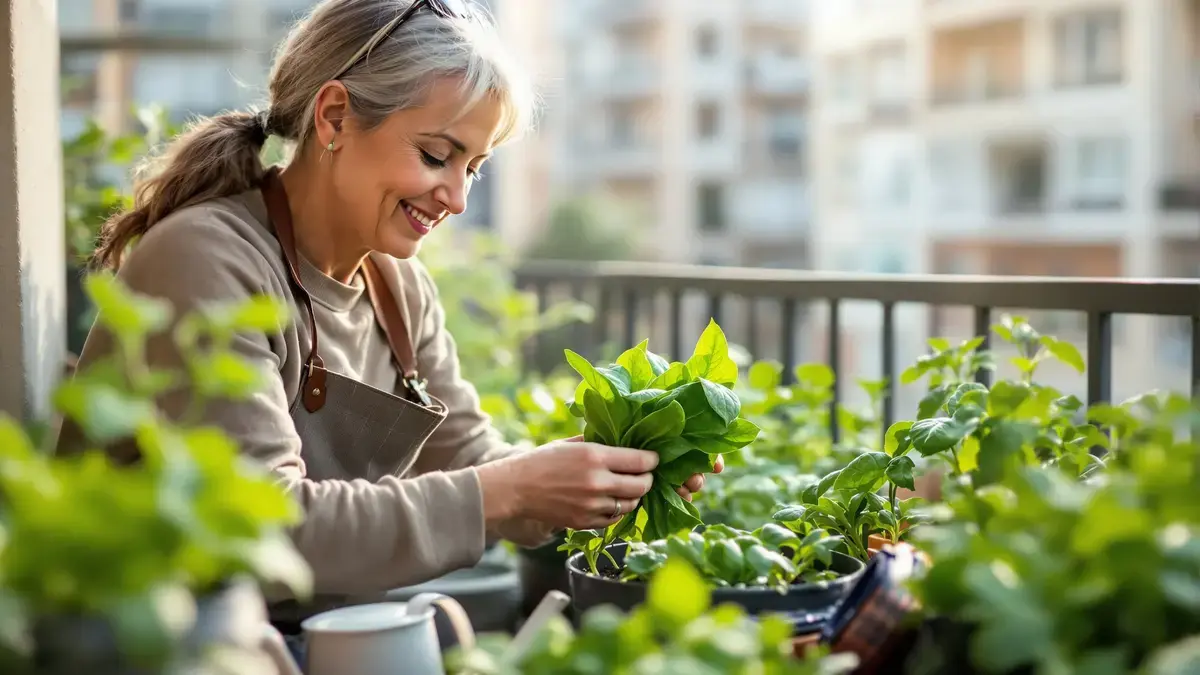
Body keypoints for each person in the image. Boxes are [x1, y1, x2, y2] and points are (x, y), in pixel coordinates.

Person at [70, 0, 722, 637]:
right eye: (438, 155)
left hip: (309, 629)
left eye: (475, 166)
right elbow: (263, 527)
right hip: (161, 639)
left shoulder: (397, 285)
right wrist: (510, 490)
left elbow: (472, 457)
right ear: (333, 118)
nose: (459, 198)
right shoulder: (205, 259)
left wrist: (597, 476)